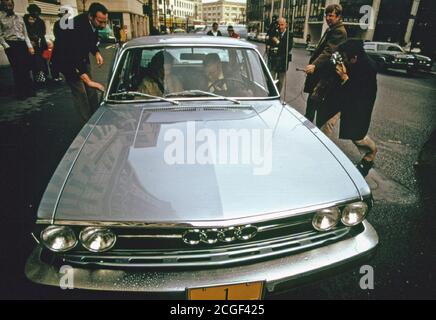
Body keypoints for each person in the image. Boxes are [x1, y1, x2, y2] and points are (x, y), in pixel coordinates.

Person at [319, 39, 378, 177]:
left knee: (357, 137)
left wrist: (344, 76)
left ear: (355, 57)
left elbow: (359, 93)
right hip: (340, 99)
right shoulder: (349, 57)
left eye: (346, 58)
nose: (344, 60)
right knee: (326, 124)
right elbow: (331, 65)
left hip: (357, 105)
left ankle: (371, 152)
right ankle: (319, 155)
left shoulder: (369, 68)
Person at [51, 2, 107, 124]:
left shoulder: (93, 23)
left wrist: (96, 52)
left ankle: (96, 116)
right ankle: (87, 125)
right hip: (67, 61)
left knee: (91, 91)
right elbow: (72, 55)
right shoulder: (76, 26)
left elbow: (91, 40)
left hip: (81, 57)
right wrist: (87, 79)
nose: (103, 25)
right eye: (100, 21)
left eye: (105, 21)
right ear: (91, 16)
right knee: (81, 93)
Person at [303, 4, 347, 122]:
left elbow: (328, 51)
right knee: (312, 105)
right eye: (326, 15)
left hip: (326, 77)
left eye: (331, 15)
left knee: (316, 107)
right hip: (321, 75)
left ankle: (315, 134)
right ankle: (309, 130)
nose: (327, 18)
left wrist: (314, 65)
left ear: (338, 17)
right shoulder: (331, 29)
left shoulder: (339, 31)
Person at [0, 0, 35, 99]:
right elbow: (0, 34)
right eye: (5, 5)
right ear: (2, 6)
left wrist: (30, 46)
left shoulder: (19, 17)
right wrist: (6, 46)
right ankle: (21, 93)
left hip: (22, 44)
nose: (8, 7)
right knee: (17, 69)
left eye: (10, 5)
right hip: (11, 45)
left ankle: (29, 90)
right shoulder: (0, 17)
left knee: (26, 68)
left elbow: (25, 33)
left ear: (13, 5)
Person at [266, 17, 293, 94]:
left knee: (280, 81)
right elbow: (269, 42)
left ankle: (277, 95)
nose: (280, 27)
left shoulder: (289, 35)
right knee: (271, 79)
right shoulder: (274, 33)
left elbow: (287, 48)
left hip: (283, 61)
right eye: (279, 25)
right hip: (273, 60)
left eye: (282, 25)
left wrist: (277, 41)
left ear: (286, 25)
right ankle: (270, 93)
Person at [24, 4, 47, 86]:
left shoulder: (40, 21)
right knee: (34, 62)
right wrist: (31, 39)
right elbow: (25, 31)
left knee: (41, 61)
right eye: (34, 12)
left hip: (40, 43)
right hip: (31, 44)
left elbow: (43, 32)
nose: (36, 13)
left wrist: (38, 38)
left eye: (37, 12)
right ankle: (37, 79)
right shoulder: (26, 19)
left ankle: (43, 77)